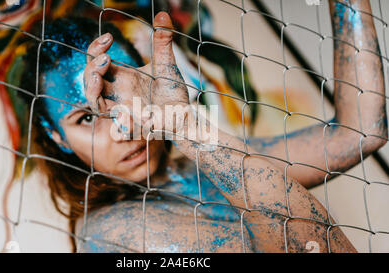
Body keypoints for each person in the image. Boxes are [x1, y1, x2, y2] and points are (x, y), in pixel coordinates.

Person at [19, 0, 386, 252]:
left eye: (122, 98)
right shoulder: (112, 236)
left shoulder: (195, 167)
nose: (122, 128)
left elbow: (359, 133)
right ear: (58, 138)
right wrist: (182, 122)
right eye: (85, 118)